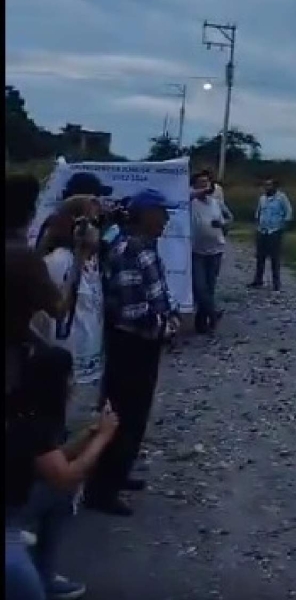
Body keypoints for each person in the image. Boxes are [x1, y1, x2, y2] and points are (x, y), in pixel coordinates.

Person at [84, 189, 181, 517]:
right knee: (125, 415)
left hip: (142, 341)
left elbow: (156, 295)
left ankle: (117, 475)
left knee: (133, 416)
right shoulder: (130, 249)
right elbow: (132, 309)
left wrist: (168, 316)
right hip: (132, 344)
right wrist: (164, 324)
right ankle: (102, 489)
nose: (166, 220)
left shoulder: (140, 245)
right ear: (146, 214)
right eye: (161, 213)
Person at [5, 350, 119, 600]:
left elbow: (50, 459)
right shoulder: (33, 422)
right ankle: (41, 576)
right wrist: (102, 439)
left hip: (14, 500)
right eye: (69, 377)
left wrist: (90, 434)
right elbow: (65, 477)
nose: (73, 383)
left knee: (58, 495)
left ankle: (43, 573)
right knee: (62, 491)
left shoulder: (23, 408)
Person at [5, 175, 86, 396]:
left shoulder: (21, 254)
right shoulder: (25, 258)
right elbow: (58, 310)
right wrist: (80, 257)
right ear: (31, 214)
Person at [31, 196, 106, 386]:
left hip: (90, 362)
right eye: (93, 222)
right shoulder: (58, 262)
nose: (98, 229)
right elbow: (52, 315)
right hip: (66, 363)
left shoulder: (91, 260)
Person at [190, 171, 234, 333]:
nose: (204, 185)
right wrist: (200, 191)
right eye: (200, 182)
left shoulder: (215, 202)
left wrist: (223, 225)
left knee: (209, 287)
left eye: (206, 182)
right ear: (193, 185)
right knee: (199, 288)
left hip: (216, 250)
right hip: (196, 251)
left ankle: (202, 323)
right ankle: (213, 313)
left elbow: (230, 218)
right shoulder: (190, 201)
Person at [249, 178, 293, 291]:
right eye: (265, 185)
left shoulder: (281, 198)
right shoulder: (262, 198)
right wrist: (257, 225)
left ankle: (276, 283)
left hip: (275, 230)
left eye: (269, 185)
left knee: (275, 258)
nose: (267, 187)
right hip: (262, 230)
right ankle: (258, 280)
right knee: (260, 257)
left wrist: (283, 226)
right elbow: (258, 212)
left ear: (275, 187)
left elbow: (288, 212)